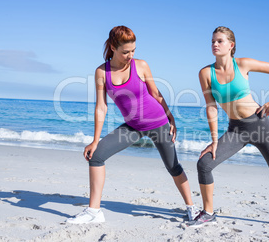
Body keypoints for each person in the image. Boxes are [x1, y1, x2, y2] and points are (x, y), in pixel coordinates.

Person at [188, 26, 269, 232]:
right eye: (212, 41)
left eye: (219, 41)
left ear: (231, 45)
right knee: (204, 164)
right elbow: (211, 107)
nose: (214, 44)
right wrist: (213, 141)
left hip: (259, 125)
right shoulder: (206, 73)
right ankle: (209, 212)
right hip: (235, 130)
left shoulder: (243, 64)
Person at [67, 26, 198, 224]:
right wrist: (95, 140)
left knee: (173, 166)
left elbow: (156, 93)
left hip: (158, 122)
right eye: (125, 51)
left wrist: (171, 118)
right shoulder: (102, 72)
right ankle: (94, 211)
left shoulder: (141, 65)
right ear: (113, 47)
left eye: (133, 50)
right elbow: (101, 107)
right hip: (133, 126)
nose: (130, 55)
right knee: (97, 156)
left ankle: (192, 208)